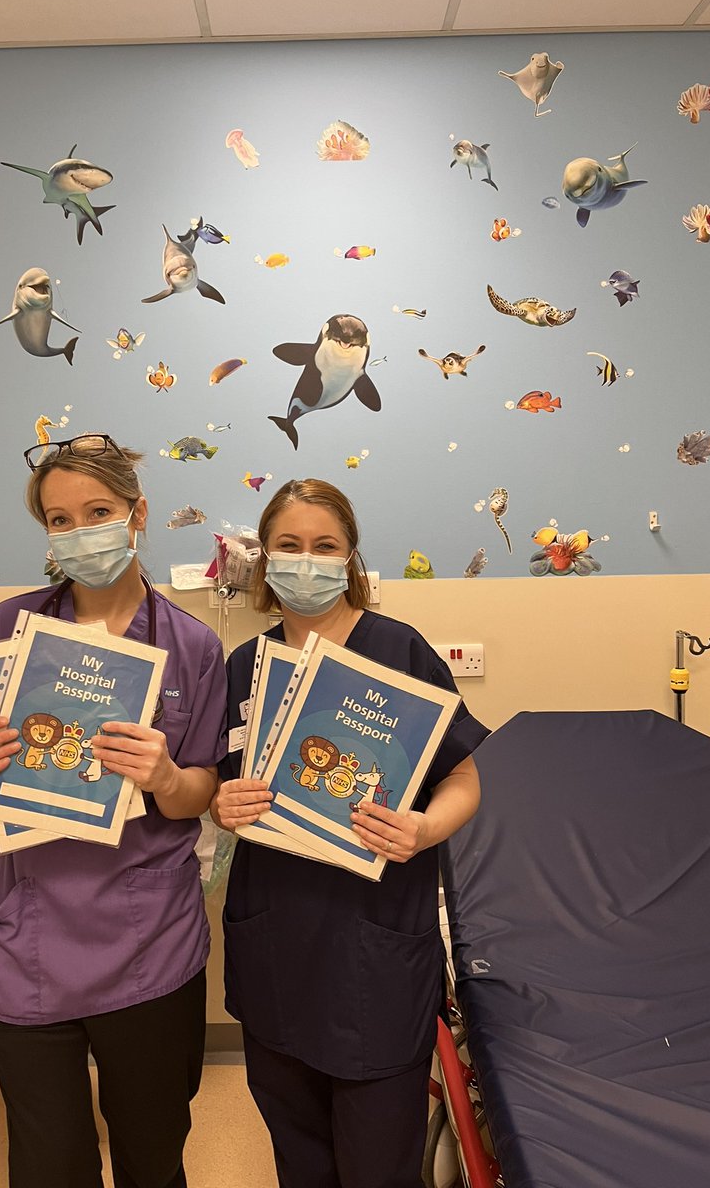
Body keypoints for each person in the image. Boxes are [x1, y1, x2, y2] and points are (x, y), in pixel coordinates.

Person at [0, 433, 227, 1188]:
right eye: (60, 520)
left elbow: (201, 792)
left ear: (138, 514)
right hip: (28, 934)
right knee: (50, 1163)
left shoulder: (191, 645)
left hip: (149, 937)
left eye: (98, 512)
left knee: (152, 1153)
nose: (79, 532)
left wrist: (165, 775)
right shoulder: (5, 629)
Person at [212, 479, 490, 1188]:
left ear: (350, 558)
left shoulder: (399, 651)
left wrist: (424, 827)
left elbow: (466, 779)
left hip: (375, 947)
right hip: (276, 945)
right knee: (299, 1157)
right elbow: (218, 786)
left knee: (378, 1165)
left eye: (324, 546)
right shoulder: (245, 667)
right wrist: (222, 804)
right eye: (289, 546)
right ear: (265, 559)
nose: (306, 561)